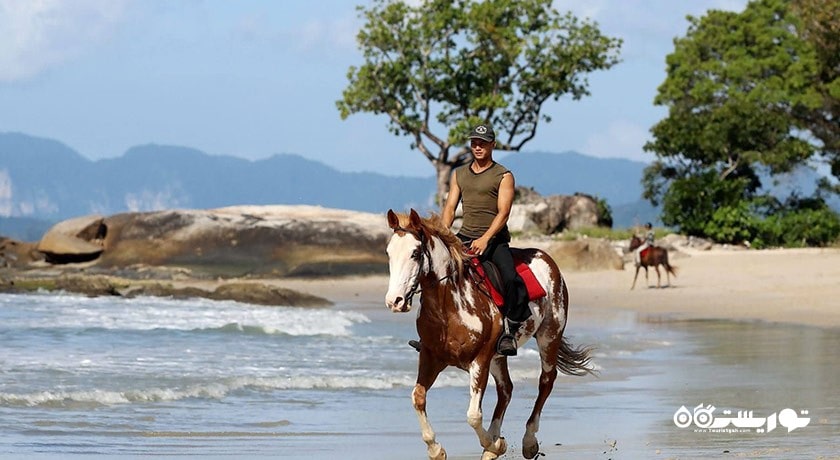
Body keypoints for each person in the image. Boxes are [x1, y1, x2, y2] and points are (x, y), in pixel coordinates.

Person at [410, 123, 530, 356]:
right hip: (464, 236)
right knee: (435, 274)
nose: (478, 147)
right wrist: (442, 235)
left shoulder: (503, 175)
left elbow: (504, 212)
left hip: (493, 238)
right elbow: (450, 207)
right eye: (475, 143)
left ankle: (510, 330)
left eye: (483, 143)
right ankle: (429, 332)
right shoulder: (460, 174)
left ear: (492, 145)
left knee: (509, 277)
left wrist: (486, 239)